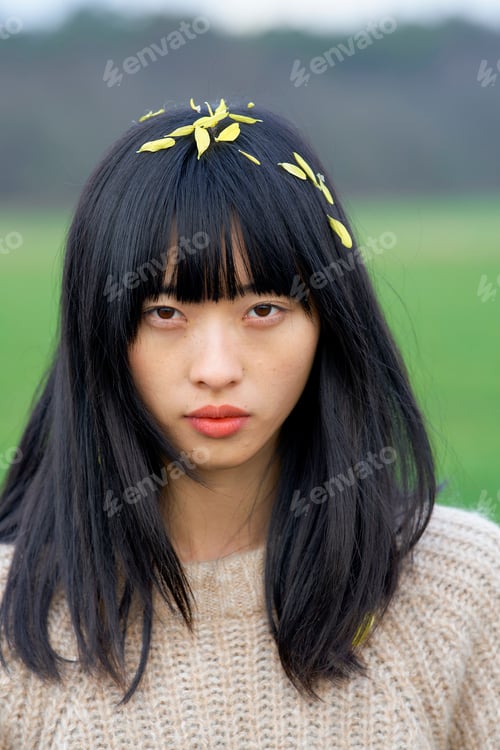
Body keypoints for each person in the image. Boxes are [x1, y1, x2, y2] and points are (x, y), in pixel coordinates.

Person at [0, 96, 498, 749]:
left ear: (330, 323)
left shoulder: (463, 588)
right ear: (100, 333)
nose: (215, 368)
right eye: (165, 312)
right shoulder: (16, 613)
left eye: (263, 309)